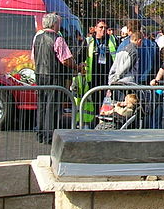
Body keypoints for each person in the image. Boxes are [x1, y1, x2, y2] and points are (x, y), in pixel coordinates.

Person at [32, 12, 81, 144]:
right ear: (54, 24)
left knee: (41, 104)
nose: (59, 25)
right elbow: (65, 59)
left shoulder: (37, 38)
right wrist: (77, 67)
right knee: (52, 106)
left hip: (39, 74)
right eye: (58, 23)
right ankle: (50, 136)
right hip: (53, 75)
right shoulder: (57, 39)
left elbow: (33, 56)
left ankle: (40, 133)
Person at [78, 19, 119, 125]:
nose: (103, 30)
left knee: (108, 103)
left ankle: (106, 123)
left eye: (105, 28)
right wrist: (81, 65)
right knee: (94, 102)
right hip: (93, 77)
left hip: (109, 77)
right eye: (101, 27)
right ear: (95, 28)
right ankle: (93, 122)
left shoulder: (112, 40)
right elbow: (80, 57)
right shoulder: (89, 41)